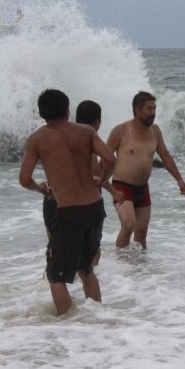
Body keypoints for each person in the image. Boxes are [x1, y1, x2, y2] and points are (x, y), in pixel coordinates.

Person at [20, 89, 116, 315]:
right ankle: (98, 316)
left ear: (42, 113)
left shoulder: (37, 139)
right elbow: (110, 158)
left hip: (69, 211)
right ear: (67, 109)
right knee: (87, 268)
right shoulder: (86, 131)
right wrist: (102, 179)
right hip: (95, 207)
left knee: (55, 274)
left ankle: (69, 326)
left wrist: (40, 189)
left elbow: (24, 179)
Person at [42, 100, 124, 266]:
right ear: (97, 122)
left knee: (55, 249)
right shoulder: (87, 138)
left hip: (53, 199)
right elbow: (102, 167)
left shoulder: (55, 136)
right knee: (89, 255)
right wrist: (110, 188)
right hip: (83, 205)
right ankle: (86, 287)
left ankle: (54, 286)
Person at [106, 91, 185, 249]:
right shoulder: (121, 130)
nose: (153, 113)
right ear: (137, 109)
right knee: (129, 225)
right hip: (122, 186)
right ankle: (120, 263)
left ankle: (140, 269)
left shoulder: (155, 131)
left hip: (142, 188)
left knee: (142, 231)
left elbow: (165, 156)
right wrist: (100, 181)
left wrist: (179, 179)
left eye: (154, 109)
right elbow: (106, 157)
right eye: (149, 109)